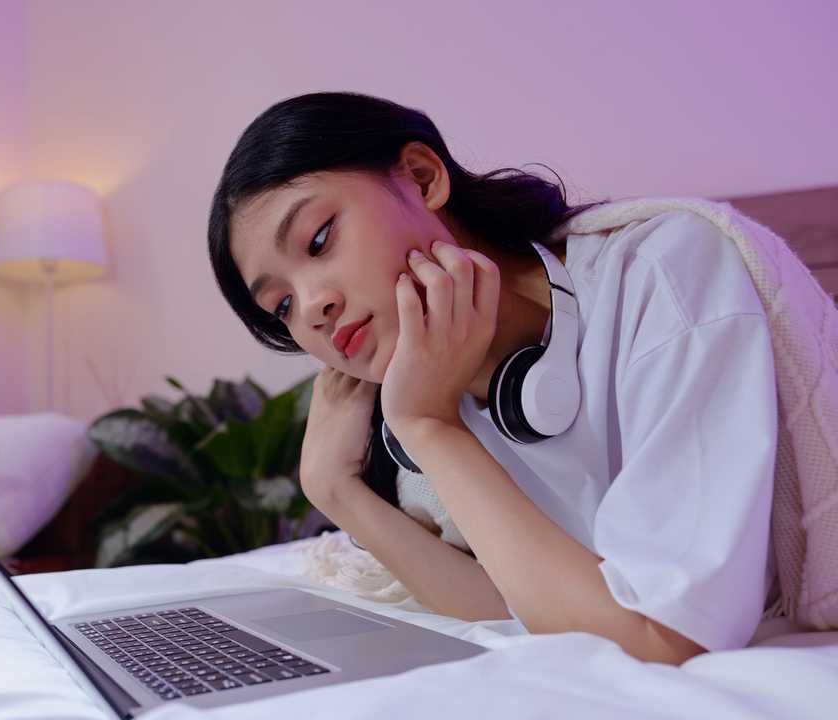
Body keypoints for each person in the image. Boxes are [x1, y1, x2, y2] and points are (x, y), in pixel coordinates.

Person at [206, 91, 777, 666]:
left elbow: (665, 635)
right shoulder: (419, 391)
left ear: (423, 178)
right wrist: (337, 491)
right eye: (280, 306)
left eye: (319, 239)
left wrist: (429, 425)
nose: (311, 309)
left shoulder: (664, 270)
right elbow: (511, 607)